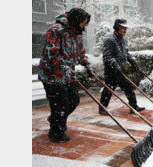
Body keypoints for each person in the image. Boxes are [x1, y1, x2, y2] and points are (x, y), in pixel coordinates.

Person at [38, 8, 94, 142]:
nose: (84, 26)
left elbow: (79, 52)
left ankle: (56, 118)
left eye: (86, 23)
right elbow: (51, 54)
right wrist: (64, 67)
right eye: (83, 23)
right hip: (51, 75)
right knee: (60, 104)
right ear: (75, 20)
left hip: (67, 74)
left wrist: (86, 63)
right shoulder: (56, 30)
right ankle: (56, 132)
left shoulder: (77, 33)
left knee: (74, 100)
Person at [99, 19, 145, 116]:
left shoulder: (123, 40)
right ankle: (102, 108)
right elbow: (107, 56)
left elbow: (126, 54)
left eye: (125, 28)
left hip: (121, 69)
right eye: (123, 28)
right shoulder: (110, 39)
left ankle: (133, 106)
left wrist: (134, 63)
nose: (125, 30)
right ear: (116, 27)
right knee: (109, 89)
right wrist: (115, 66)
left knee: (128, 87)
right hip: (111, 69)